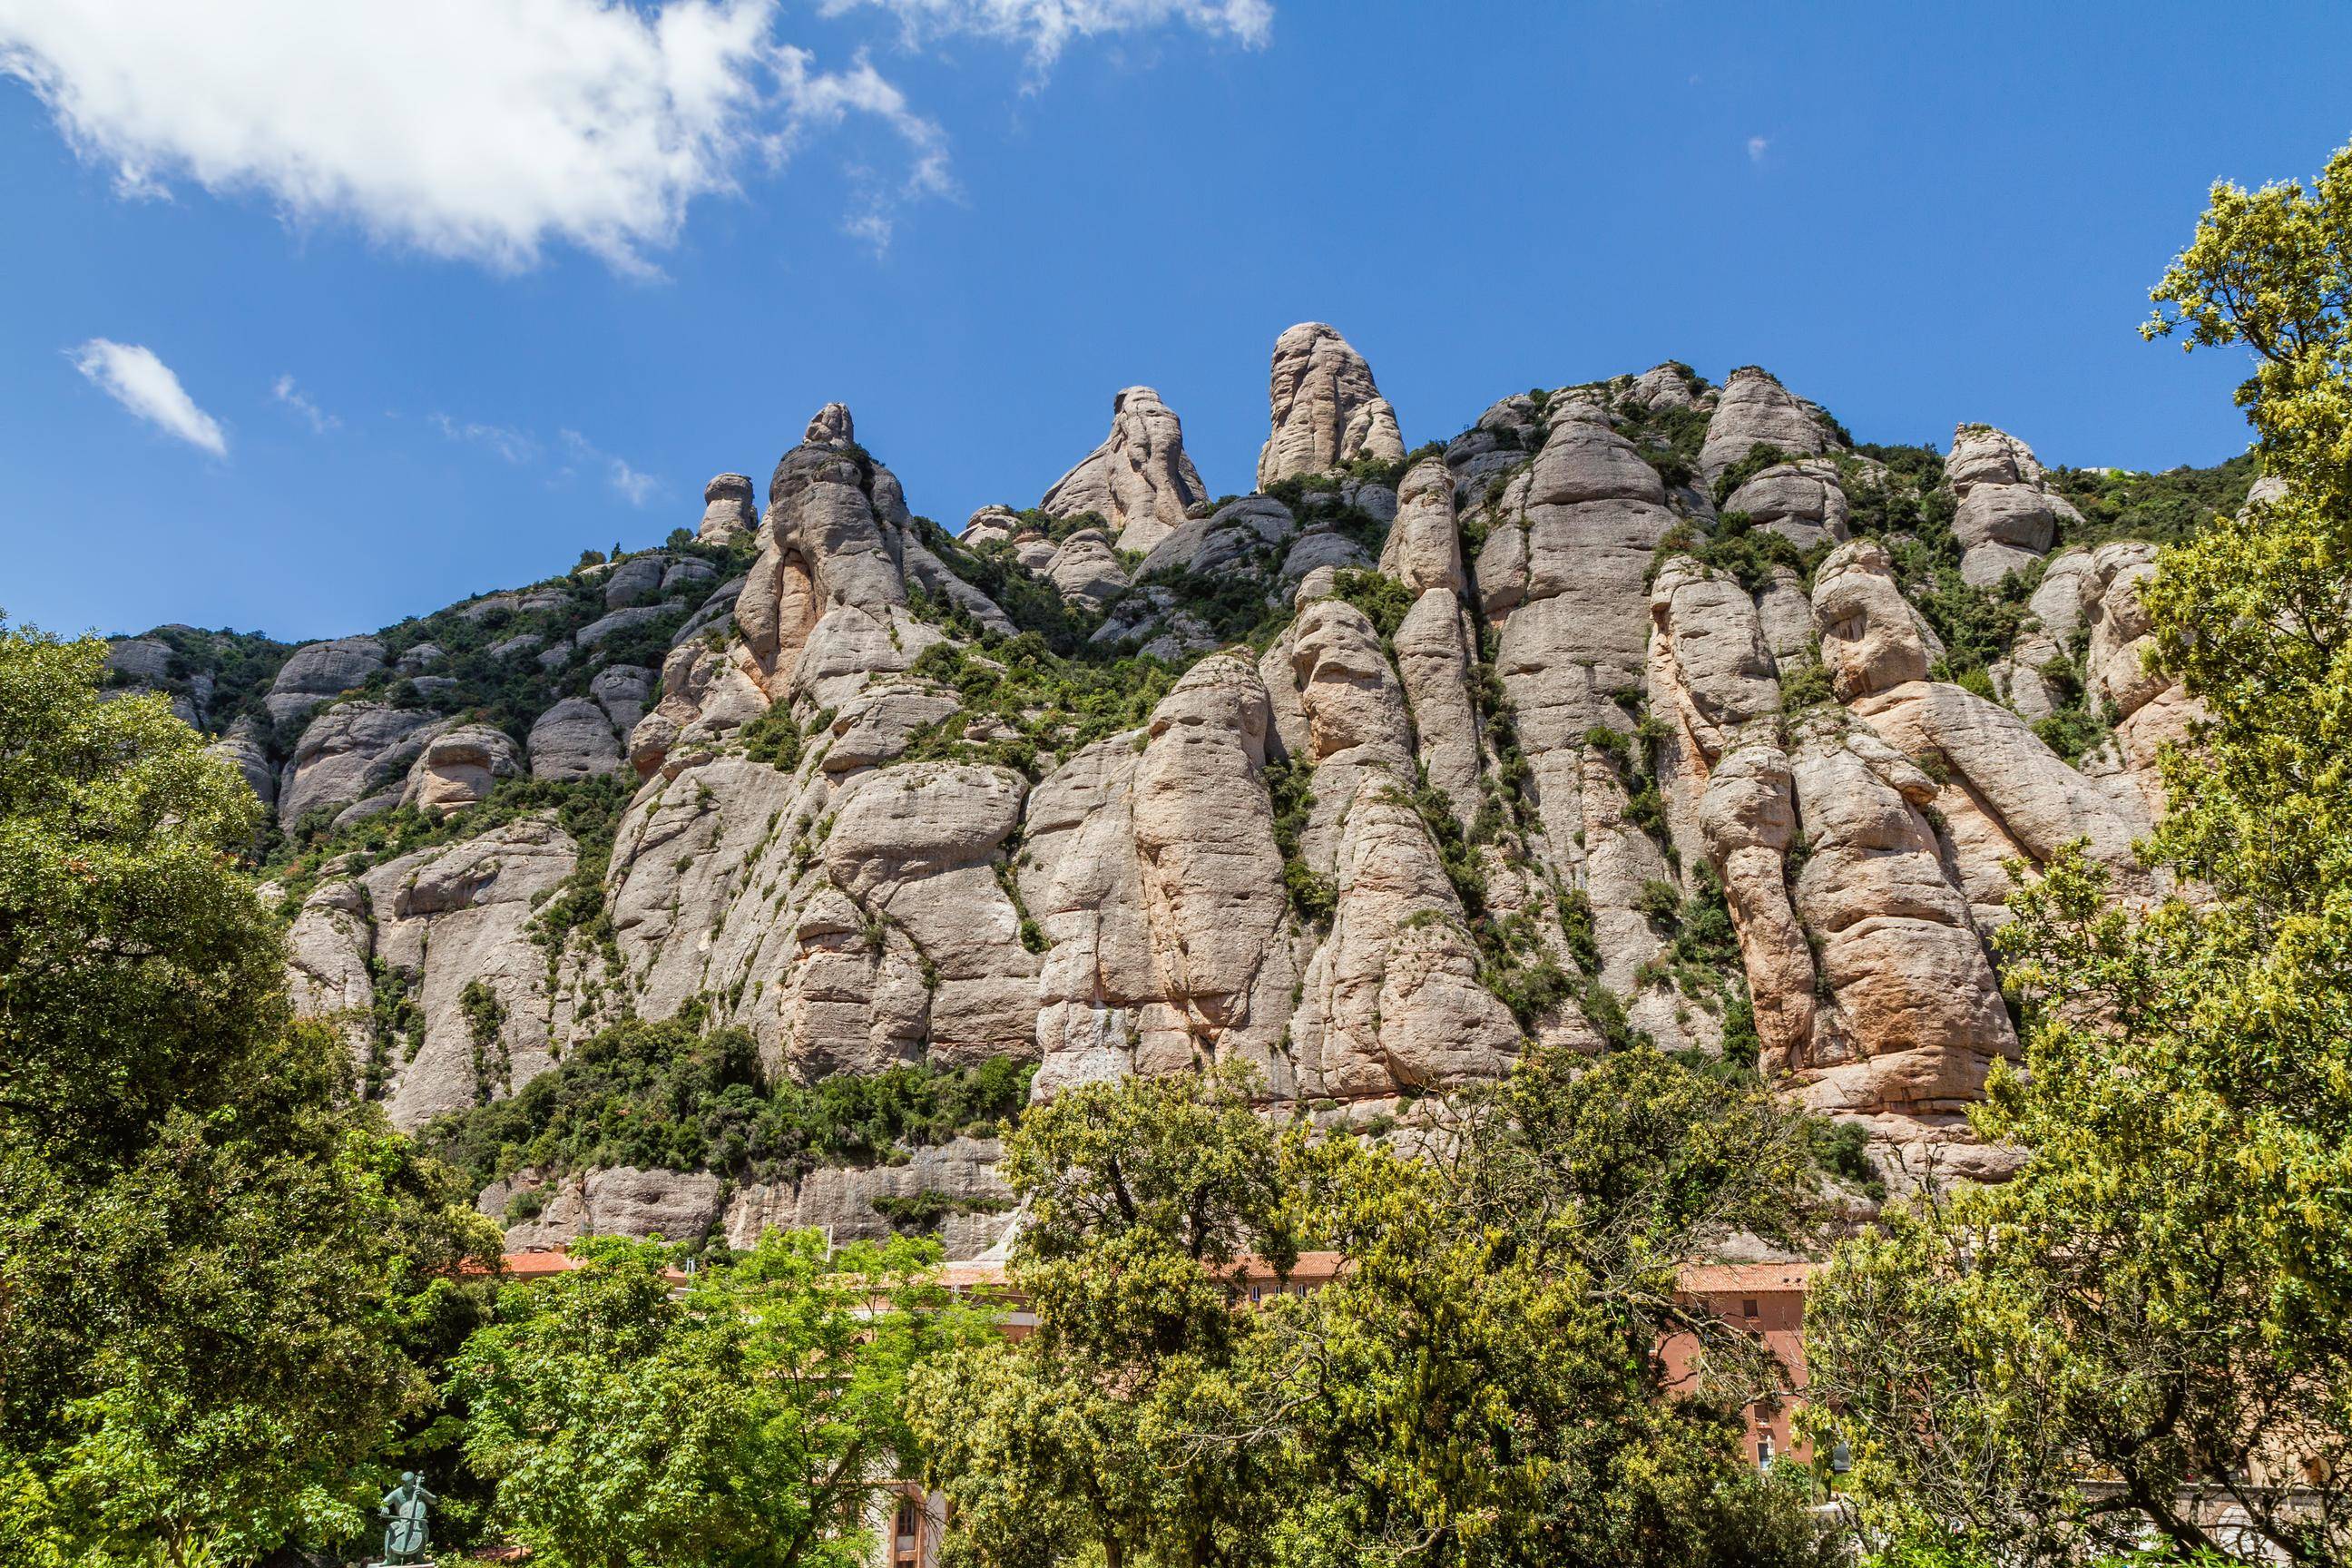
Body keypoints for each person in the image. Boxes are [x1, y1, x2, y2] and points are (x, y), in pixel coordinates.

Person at [378, 1472, 437, 1564]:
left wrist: (425, 1493)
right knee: (391, 1528)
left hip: (416, 1523)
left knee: (424, 1528)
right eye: (405, 1484)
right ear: (402, 1483)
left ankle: (419, 1556)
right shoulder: (396, 1493)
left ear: (413, 1481)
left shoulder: (418, 1490)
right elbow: (382, 1504)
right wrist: (384, 1508)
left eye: (410, 1484)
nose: (407, 1486)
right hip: (401, 1522)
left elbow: (434, 1501)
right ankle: (389, 1558)